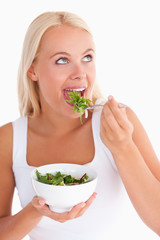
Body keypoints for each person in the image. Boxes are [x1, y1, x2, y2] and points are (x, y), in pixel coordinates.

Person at [0, 11, 160, 240]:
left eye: (87, 57)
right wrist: (34, 212)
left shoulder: (119, 123)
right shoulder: (9, 140)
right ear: (33, 70)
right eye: (62, 60)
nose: (80, 73)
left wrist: (123, 147)